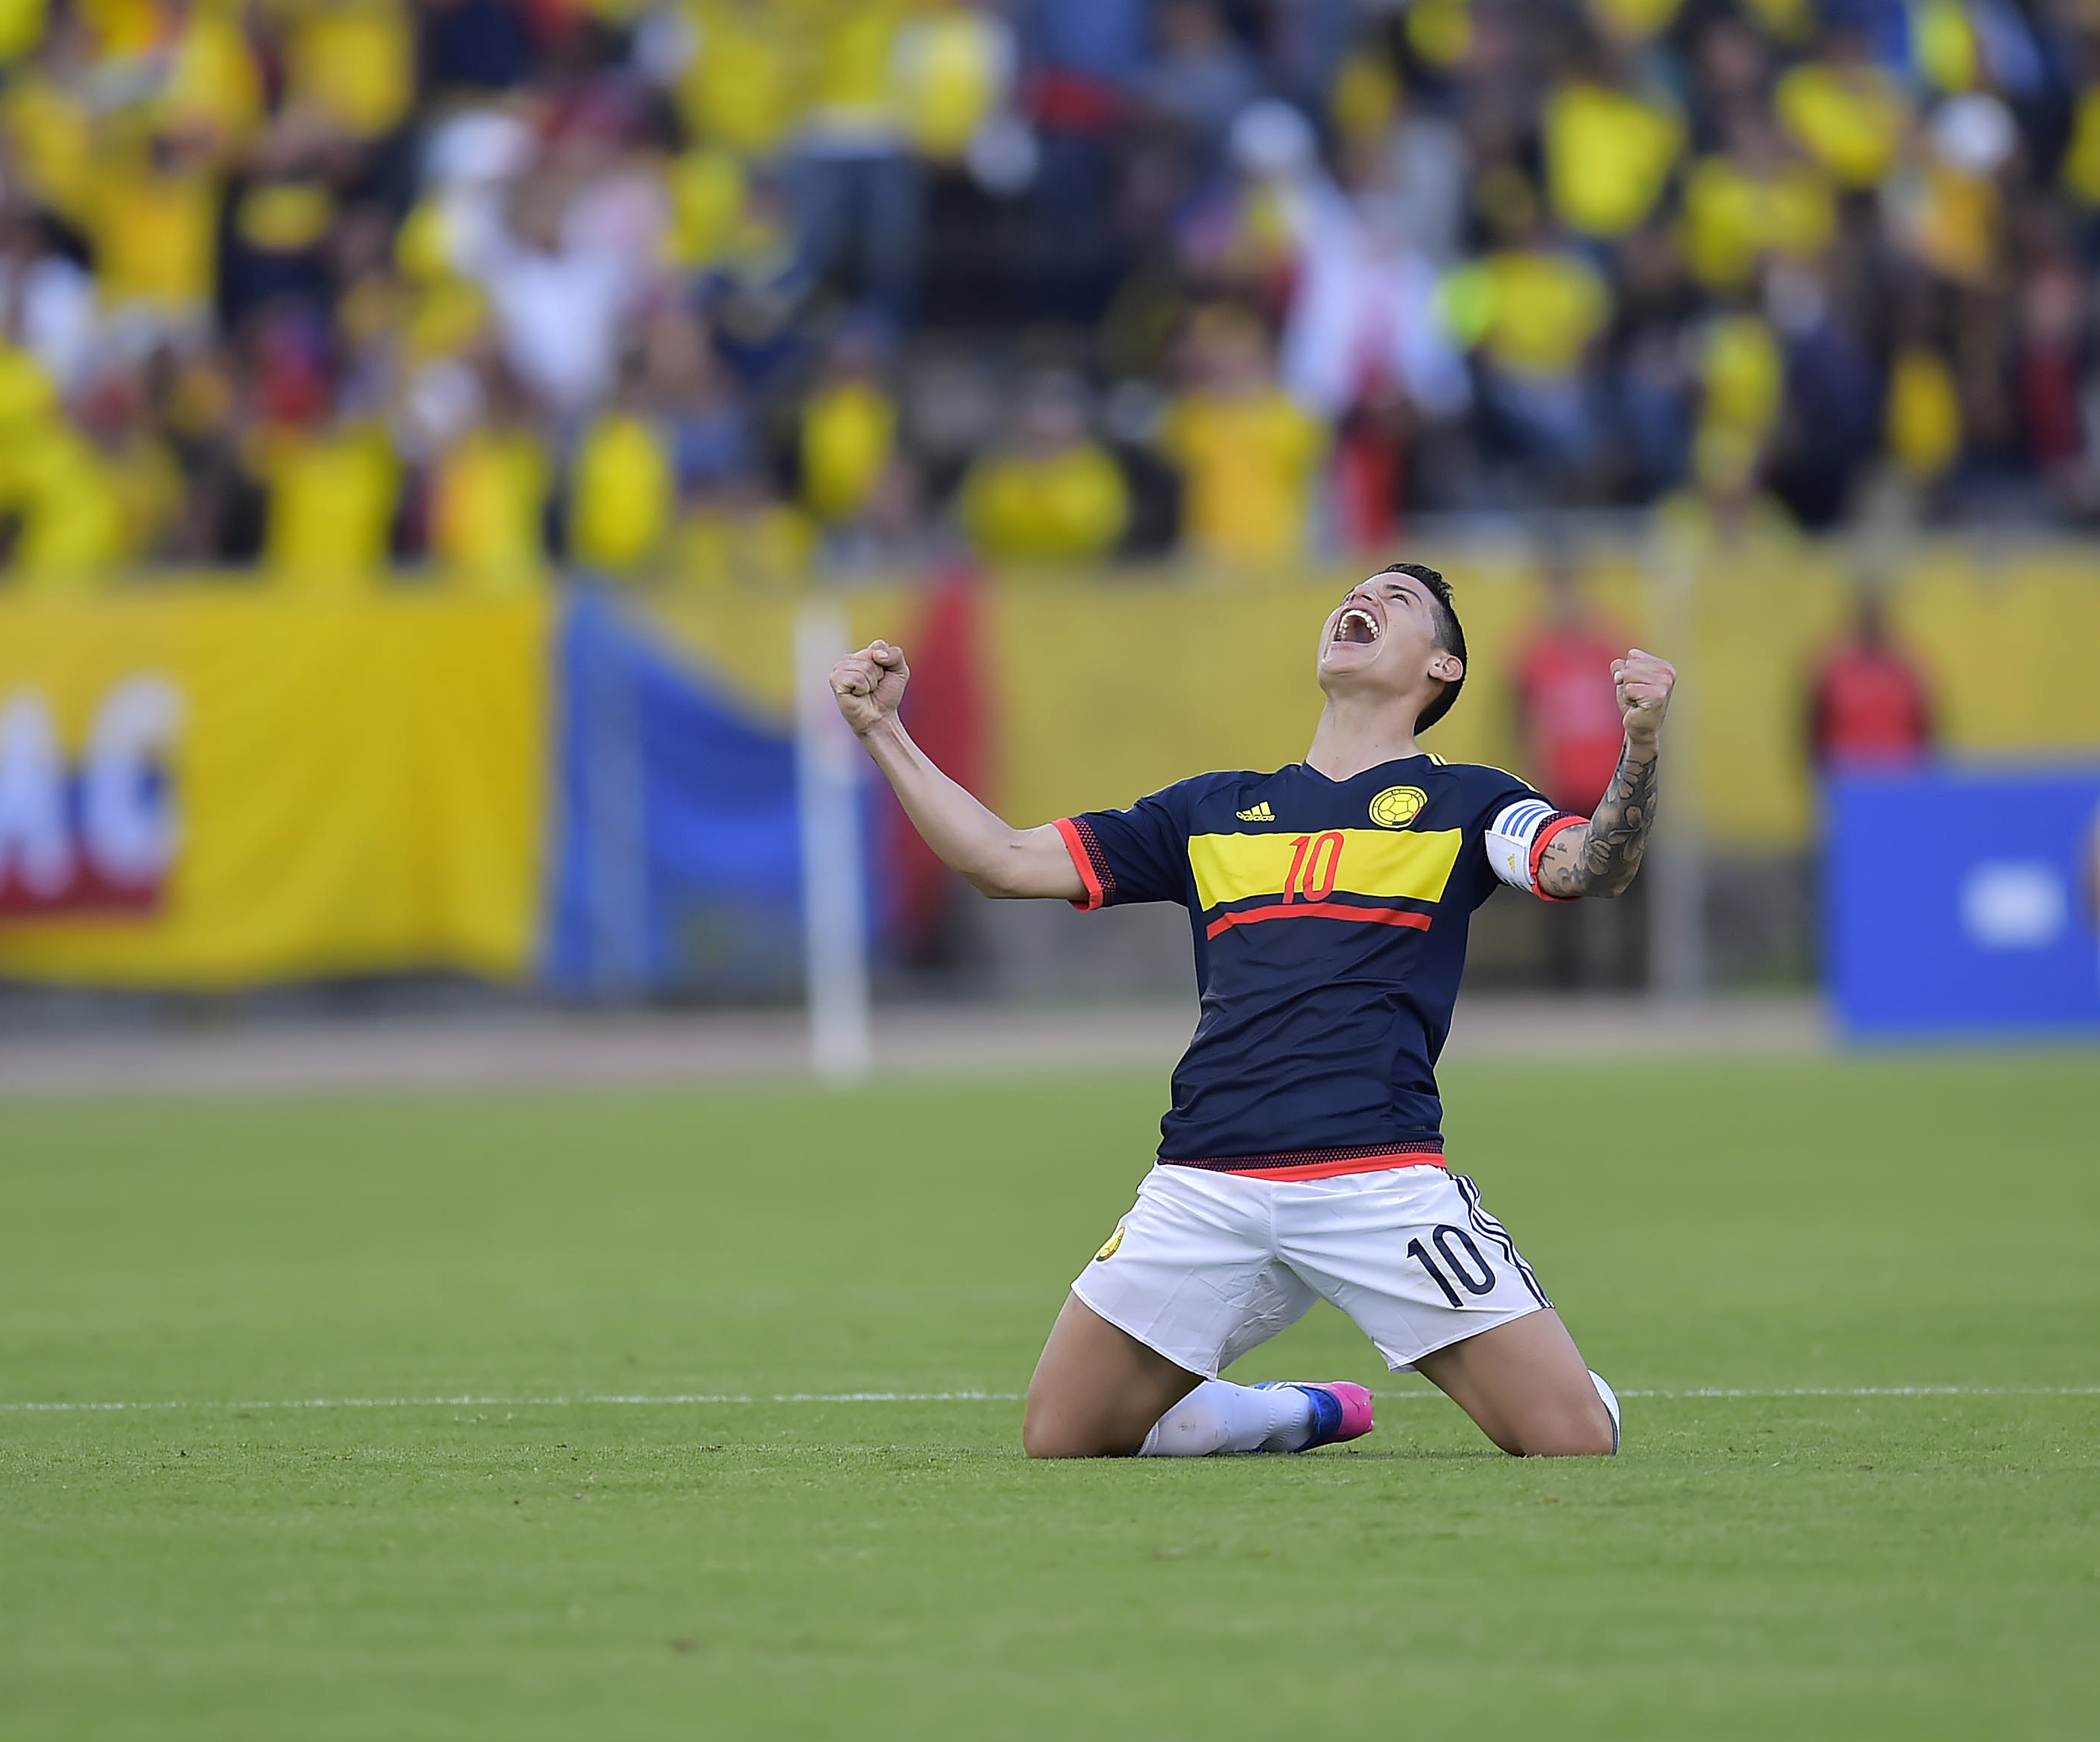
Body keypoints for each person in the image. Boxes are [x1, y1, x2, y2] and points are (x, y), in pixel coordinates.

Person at [830, 561, 1676, 1460]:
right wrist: (880, 728)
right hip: (1207, 1182)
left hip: (1378, 1179)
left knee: (1574, 1440)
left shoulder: (1469, 801)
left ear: (1443, 670)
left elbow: (1588, 865)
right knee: (1063, 1435)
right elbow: (999, 858)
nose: (1365, 598)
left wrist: (1643, 746)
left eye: (1399, 600)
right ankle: (1277, 1412)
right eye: (1359, 590)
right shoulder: (1212, 809)